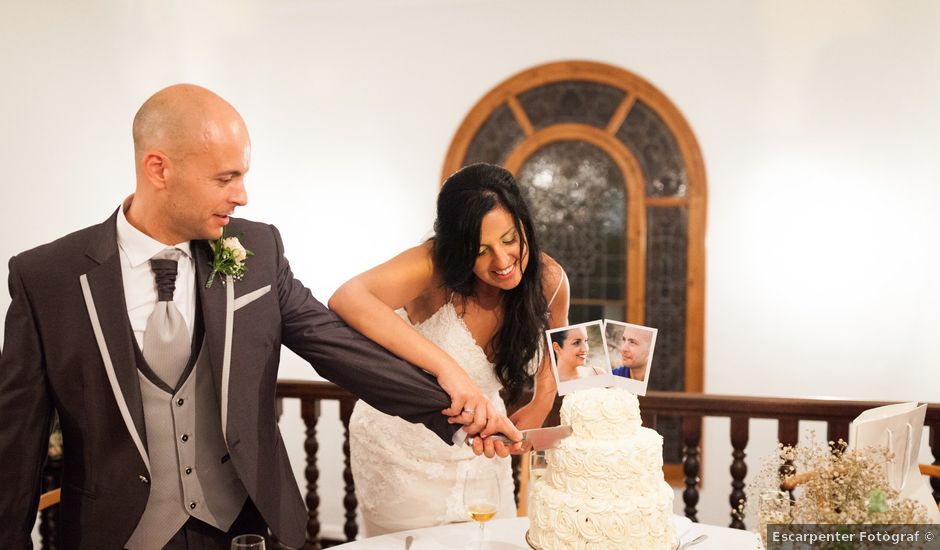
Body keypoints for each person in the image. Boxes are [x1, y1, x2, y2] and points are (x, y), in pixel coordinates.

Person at [0, 85, 520, 550]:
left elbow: (337, 347)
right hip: (113, 535)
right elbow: (15, 445)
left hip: (244, 529)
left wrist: (452, 406)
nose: (242, 195)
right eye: (226, 178)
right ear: (159, 168)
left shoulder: (256, 250)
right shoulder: (47, 279)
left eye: (243, 175)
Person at [328, 163, 570, 535]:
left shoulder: (549, 279)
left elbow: (560, 341)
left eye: (509, 240)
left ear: (524, 223)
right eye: (481, 250)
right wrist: (447, 367)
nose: (503, 262)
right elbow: (348, 298)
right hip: (402, 452)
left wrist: (542, 401)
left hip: (481, 447)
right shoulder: (431, 266)